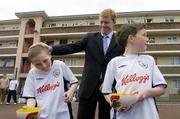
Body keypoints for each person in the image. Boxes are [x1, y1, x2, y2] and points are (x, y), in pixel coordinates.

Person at [30, 8, 123, 119]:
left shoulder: (120, 40)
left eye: (106, 22)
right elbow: (72, 47)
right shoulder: (90, 38)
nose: (103, 25)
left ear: (114, 22)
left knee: (107, 116)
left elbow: (124, 60)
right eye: (101, 22)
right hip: (88, 86)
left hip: (110, 87)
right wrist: (50, 48)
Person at [102, 24, 167, 119]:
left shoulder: (149, 60)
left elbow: (162, 89)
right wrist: (116, 104)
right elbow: (106, 92)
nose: (147, 39)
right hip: (123, 116)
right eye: (144, 35)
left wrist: (144, 93)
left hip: (149, 115)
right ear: (131, 38)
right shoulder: (114, 62)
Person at [22, 45, 78, 119]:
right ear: (32, 63)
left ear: (49, 54)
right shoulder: (32, 73)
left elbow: (74, 82)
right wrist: (29, 108)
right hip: (42, 116)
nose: (44, 66)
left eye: (45, 60)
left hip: (64, 114)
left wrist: (70, 92)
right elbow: (31, 97)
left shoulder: (59, 65)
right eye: (38, 64)